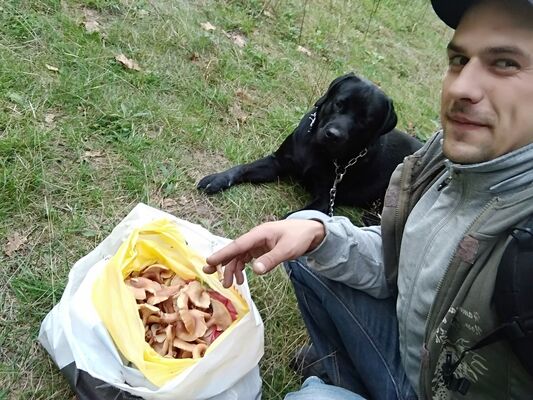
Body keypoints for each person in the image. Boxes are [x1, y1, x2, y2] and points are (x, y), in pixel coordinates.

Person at [203, 0, 533, 398]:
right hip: (412, 346)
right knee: (306, 236)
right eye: (459, 59)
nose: (461, 87)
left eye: (506, 63)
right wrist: (321, 235)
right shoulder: (441, 159)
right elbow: (400, 258)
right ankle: (351, 367)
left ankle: (340, 380)